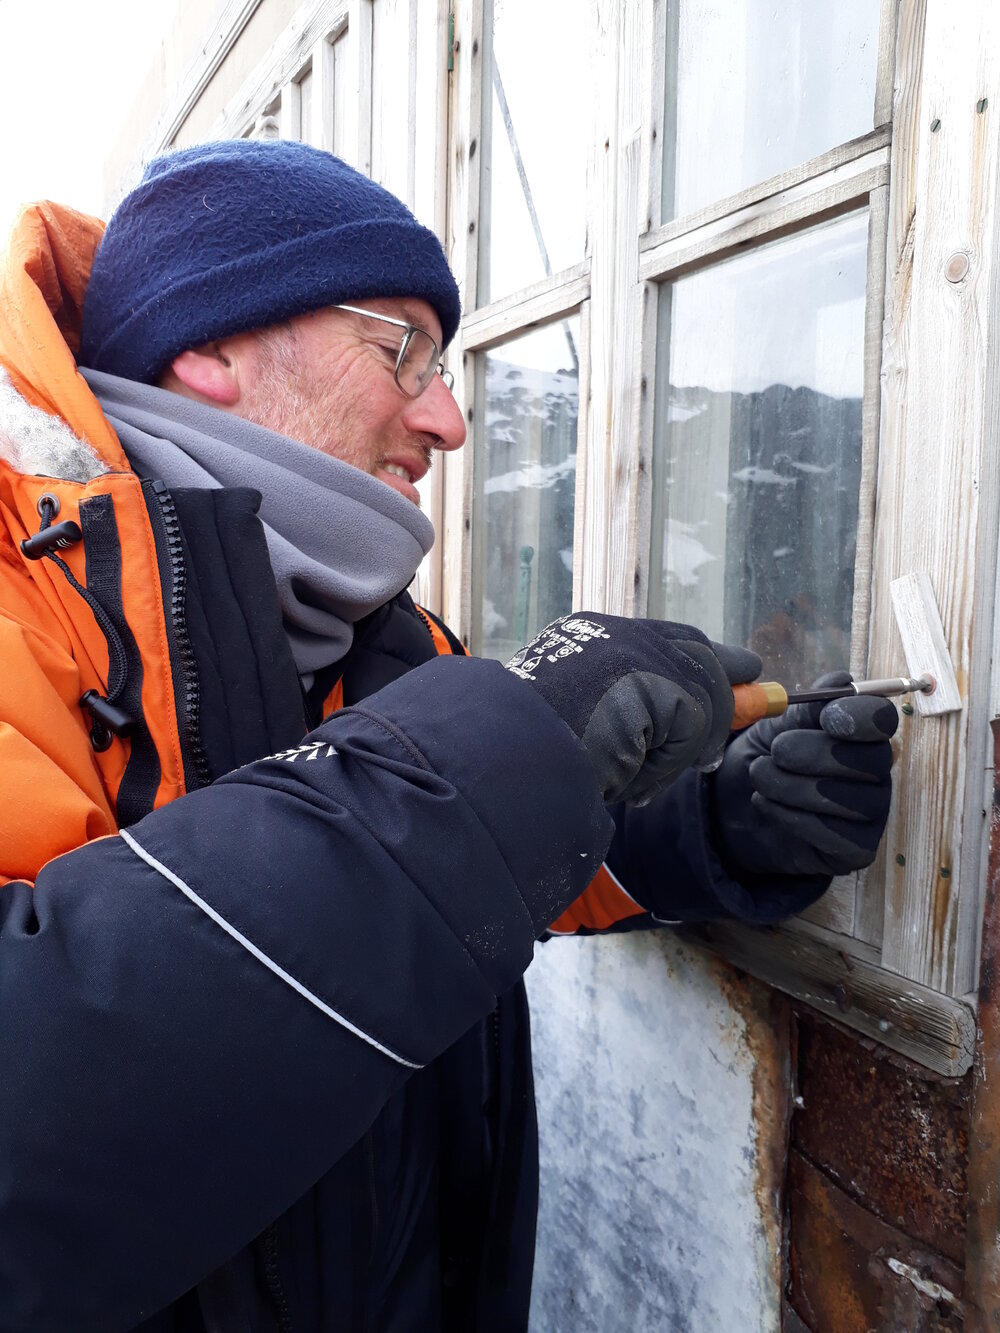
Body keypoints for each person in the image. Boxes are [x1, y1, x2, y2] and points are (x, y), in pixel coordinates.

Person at [0, 139, 897, 1332]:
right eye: (401, 349)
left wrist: (709, 833)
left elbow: (422, 876)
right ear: (211, 343)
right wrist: (505, 742)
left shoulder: (358, 620)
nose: (450, 417)